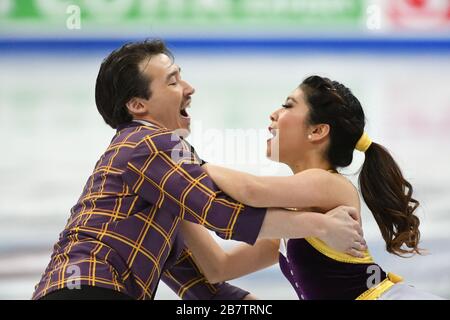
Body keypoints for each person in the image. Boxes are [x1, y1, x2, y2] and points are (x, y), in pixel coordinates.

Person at [31, 41, 365, 300]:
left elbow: (206, 287)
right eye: (173, 81)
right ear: (138, 105)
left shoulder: (164, 198)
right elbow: (220, 212)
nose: (190, 88)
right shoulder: (151, 141)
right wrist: (320, 225)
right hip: (91, 288)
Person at [180, 75, 444, 300]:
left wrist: (186, 163)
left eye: (287, 106)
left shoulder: (329, 184)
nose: (274, 114)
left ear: (317, 131)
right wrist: (172, 197)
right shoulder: (294, 222)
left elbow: (252, 191)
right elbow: (219, 268)